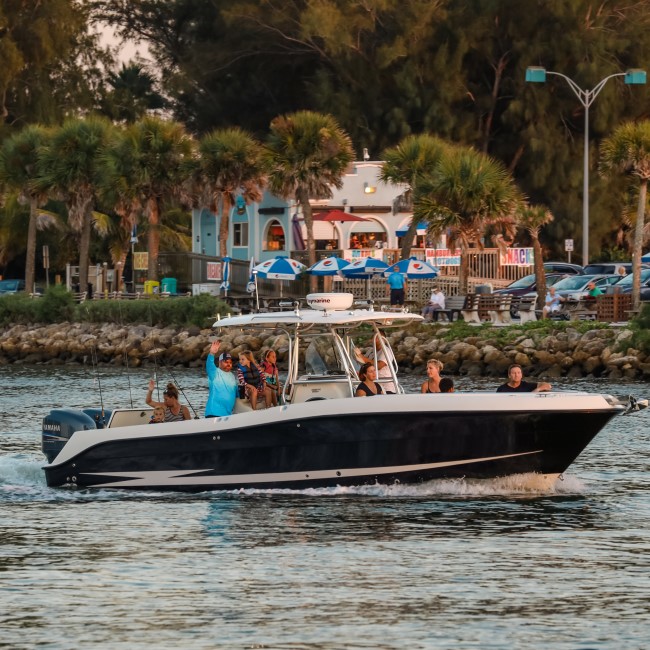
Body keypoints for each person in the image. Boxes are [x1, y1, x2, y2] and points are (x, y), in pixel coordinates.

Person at [205, 340, 238, 417]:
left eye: (230, 362)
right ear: (219, 362)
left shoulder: (232, 376)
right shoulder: (214, 372)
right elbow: (209, 365)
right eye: (226, 362)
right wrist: (212, 353)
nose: (228, 364)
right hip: (214, 413)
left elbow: (236, 394)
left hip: (227, 414)